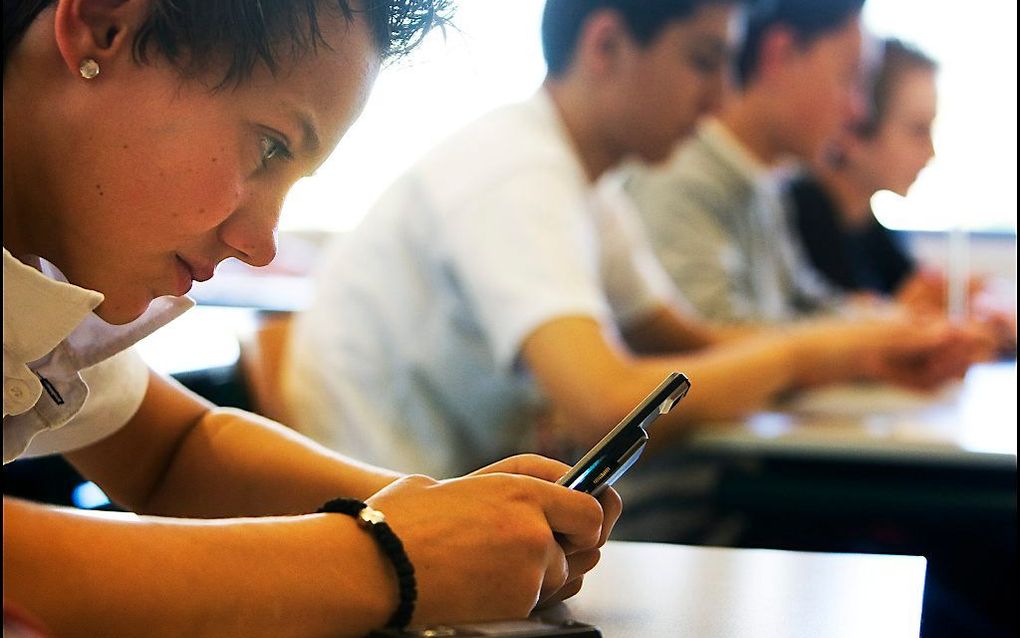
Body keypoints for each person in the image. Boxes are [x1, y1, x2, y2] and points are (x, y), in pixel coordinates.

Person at [2, 1, 623, 636]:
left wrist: (449, 519)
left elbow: (172, 452)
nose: (261, 244)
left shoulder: (49, 277)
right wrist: (383, 560)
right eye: (270, 147)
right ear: (103, 28)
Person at [283, 0, 980, 523]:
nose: (718, 100)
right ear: (607, 45)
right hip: (385, 523)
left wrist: (859, 351)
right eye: (704, 61)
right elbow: (606, 403)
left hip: (461, 514)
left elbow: (682, 341)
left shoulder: (594, 181)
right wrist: (810, 355)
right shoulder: (517, 171)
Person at [625, 0, 868, 323]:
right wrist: (863, 343)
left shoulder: (762, 183)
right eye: (848, 78)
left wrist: (890, 325)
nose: (858, 110)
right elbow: (710, 350)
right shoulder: (678, 175)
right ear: (781, 55)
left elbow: (804, 305)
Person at [789, 38, 1016, 351]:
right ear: (853, 130)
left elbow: (912, 297)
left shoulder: (866, 226)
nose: (931, 153)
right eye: (918, 130)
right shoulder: (797, 216)